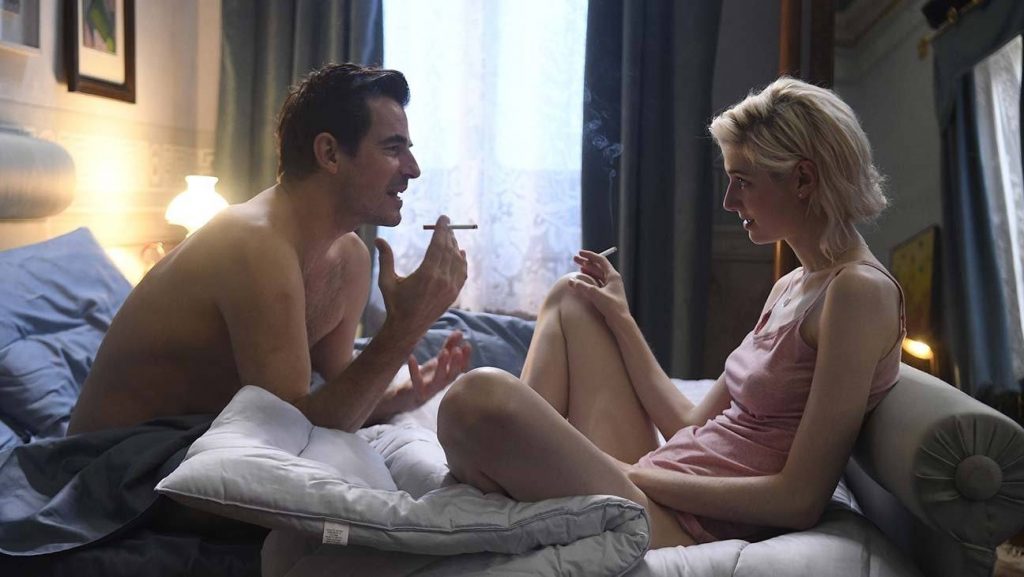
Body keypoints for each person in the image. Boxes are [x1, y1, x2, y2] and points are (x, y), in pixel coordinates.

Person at [436, 77, 904, 549]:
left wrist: (627, 473)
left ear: (803, 179)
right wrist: (620, 317)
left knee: (477, 398)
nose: (729, 201)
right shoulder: (792, 285)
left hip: (685, 523)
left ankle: (520, 481)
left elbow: (797, 500)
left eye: (743, 182)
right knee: (572, 296)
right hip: (663, 483)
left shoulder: (858, 293)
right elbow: (689, 423)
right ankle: (524, 477)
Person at [68, 63, 471, 436]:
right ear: (330, 154)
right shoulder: (254, 242)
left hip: (200, 446)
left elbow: (340, 397)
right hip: (114, 461)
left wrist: (404, 396)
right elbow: (292, 429)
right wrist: (406, 324)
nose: (413, 168)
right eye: (393, 149)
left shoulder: (351, 258)